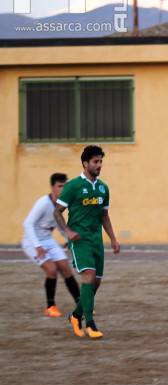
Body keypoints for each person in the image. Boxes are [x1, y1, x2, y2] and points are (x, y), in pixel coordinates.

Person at [54, 145, 120, 339]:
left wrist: (113, 239)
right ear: (85, 163)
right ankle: (90, 324)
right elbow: (56, 212)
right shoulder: (73, 186)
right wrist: (67, 231)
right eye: (95, 161)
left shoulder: (103, 188)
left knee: (95, 283)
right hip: (79, 240)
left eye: (101, 161)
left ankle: (75, 315)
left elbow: (104, 215)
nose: (99, 165)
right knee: (89, 276)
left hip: (96, 241)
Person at [21, 172, 80, 317]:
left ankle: (81, 304)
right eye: (60, 186)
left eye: (65, 186)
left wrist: (69, 239)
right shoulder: (43, 203)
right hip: (31, 241)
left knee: (65, 267)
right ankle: (50, 306)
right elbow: (27, 224)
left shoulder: (62, 204)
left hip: (47, 240)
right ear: (52, 187)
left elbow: (60, 226)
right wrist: (37, 246)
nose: (63, 189)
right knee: (52, 270)